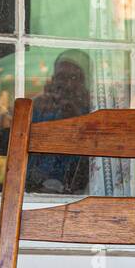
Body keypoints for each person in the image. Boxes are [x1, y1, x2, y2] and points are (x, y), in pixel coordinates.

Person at [27, 49, 92, 194]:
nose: (68, 85)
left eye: (75, 78)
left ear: (85, 83)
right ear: (53, 80)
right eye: (62, 77)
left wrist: (75, 116)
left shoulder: (94, 113)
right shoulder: (40, 108)